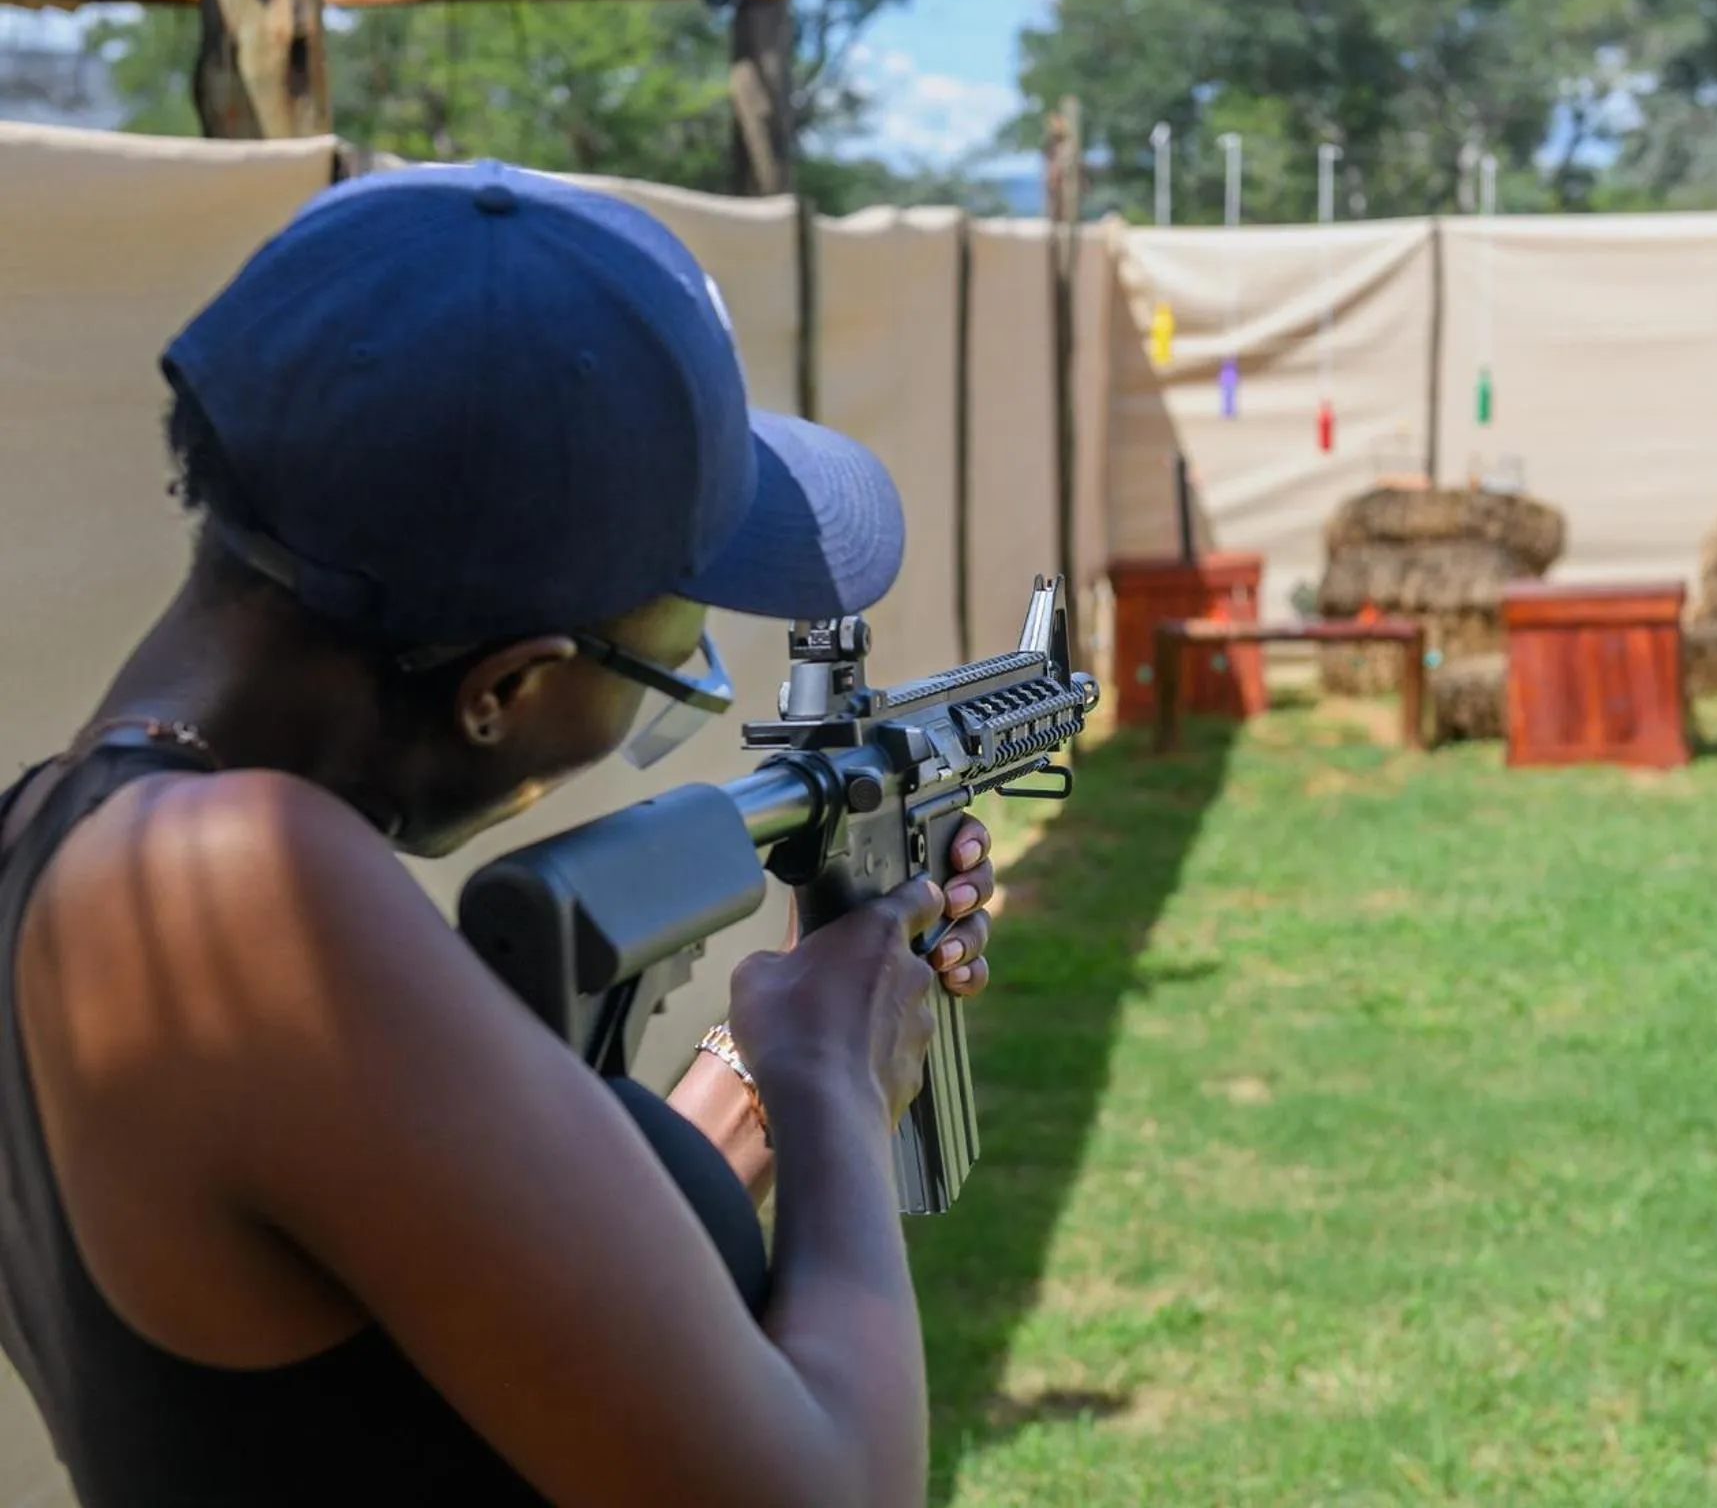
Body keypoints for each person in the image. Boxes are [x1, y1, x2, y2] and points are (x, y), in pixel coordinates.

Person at [0, 161, 998, 1508]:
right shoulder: (234, 891)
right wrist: (832, 1080)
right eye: (679, 638)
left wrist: (767, 1050)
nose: (697, 662)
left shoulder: (55, 844)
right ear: (506, 689)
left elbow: (473, 1310)